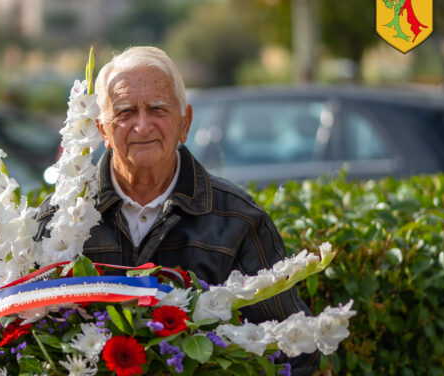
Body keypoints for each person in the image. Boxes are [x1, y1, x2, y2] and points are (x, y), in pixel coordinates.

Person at [36, 46, 319, 374]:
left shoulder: (237, 218)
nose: (142, 126)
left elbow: (294, 347)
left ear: (185, 122)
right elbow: (19, 338)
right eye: (126, 112)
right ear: (103, 130)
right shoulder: (59, 219)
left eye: (157, 109)